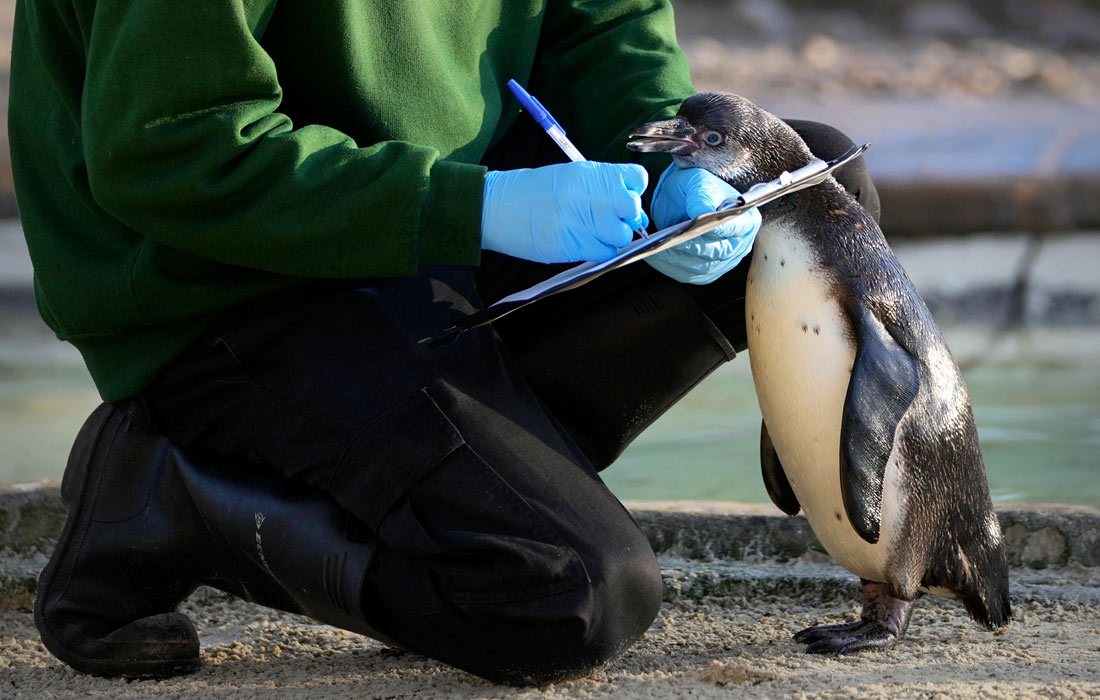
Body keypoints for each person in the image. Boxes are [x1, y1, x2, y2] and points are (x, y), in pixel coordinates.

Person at [10, 0, 879, 686]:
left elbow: (606, 29)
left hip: (445, 234)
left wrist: (676, 164)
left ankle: (467, 484)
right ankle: (172, 494)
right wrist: (478, 208)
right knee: (567, 598)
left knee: (806, 187)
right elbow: (170, 152)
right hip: (231, 288)